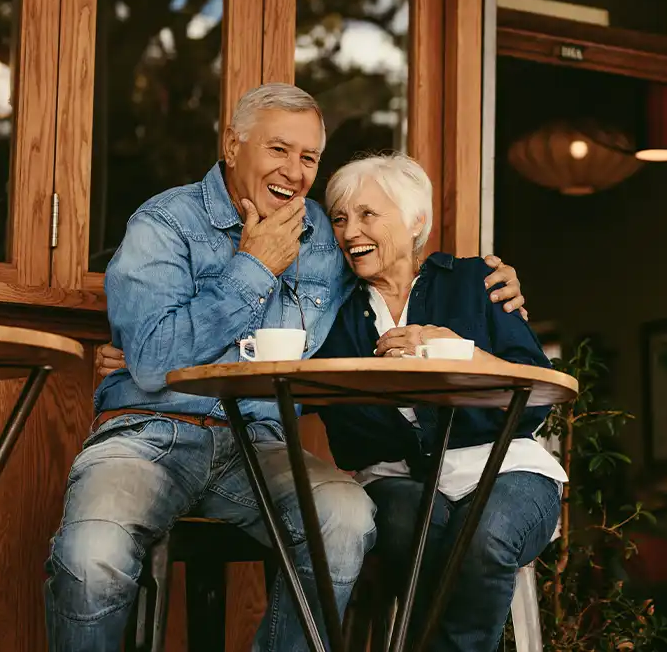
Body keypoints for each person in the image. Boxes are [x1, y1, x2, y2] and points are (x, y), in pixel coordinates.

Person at [60, 83, 527, 652]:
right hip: (150, 433)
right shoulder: (165, 224)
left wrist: (488, 281)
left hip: (260, 444)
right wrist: (253, 268)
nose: (295, 171)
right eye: (278, 150)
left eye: (309, 158)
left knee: (347, 519)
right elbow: (155, 362)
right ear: (233, 146)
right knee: (91, 557)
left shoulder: (327, 242)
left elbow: (396, 258)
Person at [316, 153, 564, 652]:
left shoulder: (476, 282)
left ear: (416, 223)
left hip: (506, 468)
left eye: (368, 215)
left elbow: (536, 397)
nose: (349, 231)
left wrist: (456, 352)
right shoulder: (332, 312)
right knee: (415, 531)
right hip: (397, 479)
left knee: (484, 536)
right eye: (340, 218)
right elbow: (310, 404)